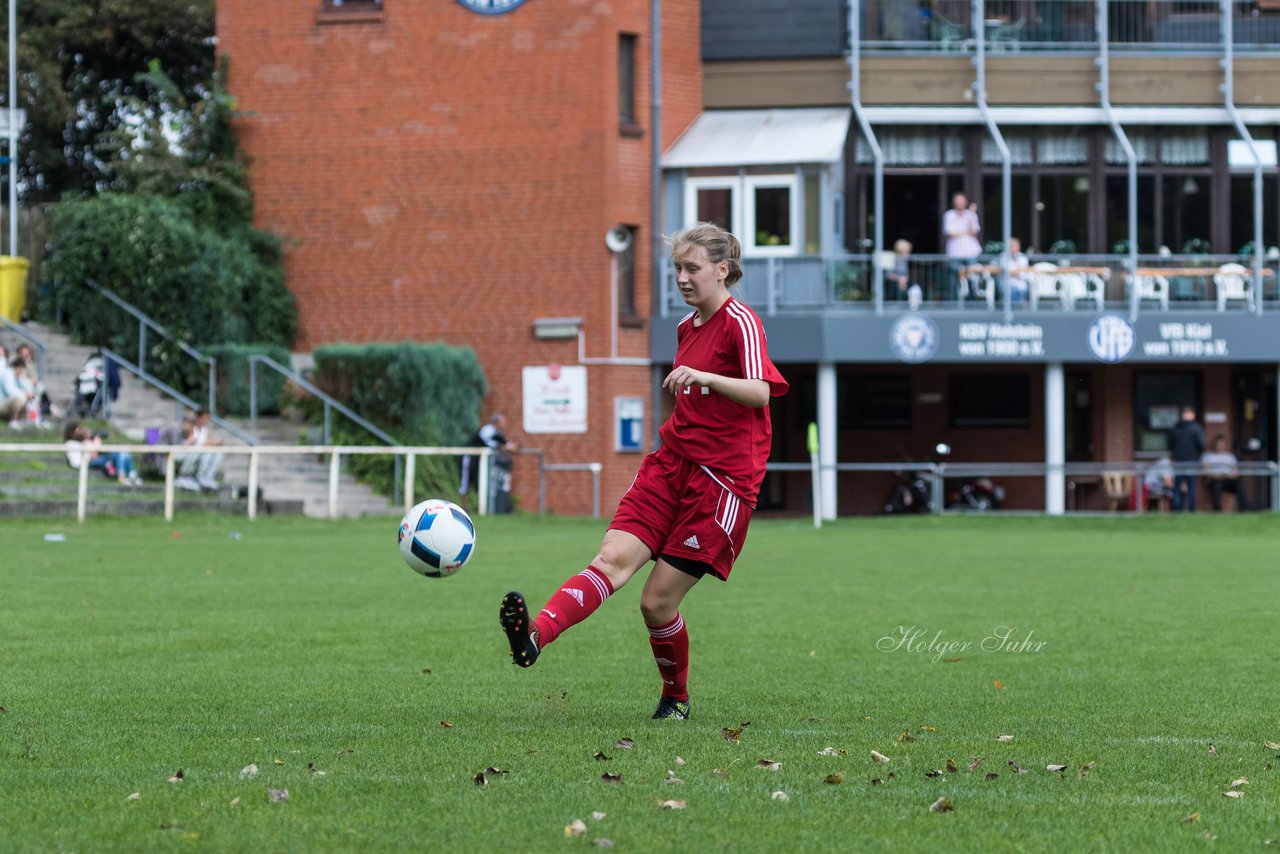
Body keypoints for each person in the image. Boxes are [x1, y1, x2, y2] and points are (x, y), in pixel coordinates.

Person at [498, 222, 789, 721]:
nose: (681, 277)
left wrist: (705, 377)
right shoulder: (684, 327)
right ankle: (533, 637)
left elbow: (761, 393)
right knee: (611, 560)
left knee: (655, 603)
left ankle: (675, 699)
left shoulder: (741, 322)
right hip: (668, 468)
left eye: (692, 268)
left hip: (720, 485)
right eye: (676, 267)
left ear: (722, 270)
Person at [459, 413, 517, 512]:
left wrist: (511, 446)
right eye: (503, 422)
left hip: (480, 461)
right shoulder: (487, 430)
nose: (504, 425)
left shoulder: (497, 433)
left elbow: (504, 442)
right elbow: (491, 443)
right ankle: (465, 506)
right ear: (497, 422)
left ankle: (480, 507)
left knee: (480, 483)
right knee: (465, 482)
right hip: (469, 458)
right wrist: (505, 447)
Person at [63, 421, 142, 486]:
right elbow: (94, 455)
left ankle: (131, 475)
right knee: (120, 453)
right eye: (78, 430)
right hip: (87, 461)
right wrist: (95, 442)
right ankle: (125, 476)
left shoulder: (81, 442)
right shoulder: (73, 443)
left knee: (124, 452)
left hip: (91, 458)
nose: (80, 432)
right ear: (71, 433)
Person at [943, 193, 982, 300]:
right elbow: (950, 232)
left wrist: (970, 215)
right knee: (954, 278)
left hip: (970, 252)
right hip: (954, 253)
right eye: (957, 200)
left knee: (972, 278)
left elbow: (973, 232)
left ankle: (972, 303)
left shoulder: (971, 215)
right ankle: (952, 304)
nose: (959, 202)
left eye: (961, 200)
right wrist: (965, 232)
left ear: (965, 202)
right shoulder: (949, 215)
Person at [1167, 406, 1205, 512]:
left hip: (1178, 461)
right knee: (1191, 487)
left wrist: (1173, 457)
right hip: (1192, 461)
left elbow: (1170, 445)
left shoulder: (1175, 427)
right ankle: (1191, 510)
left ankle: (1177, 510)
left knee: (1177, 487)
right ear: (1193, 415)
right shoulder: (1196, 428)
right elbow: (1201, 444)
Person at [1202, 434, 1252, 512]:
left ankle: (1243, 510)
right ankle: (1217, 511)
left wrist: (1230, 475)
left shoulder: (1230, 456)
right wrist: (1215, 475)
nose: (1220, 446)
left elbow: (1235, 472)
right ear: (1215, 445)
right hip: (1215, 479)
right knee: (1217, 486)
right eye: (1219, 444)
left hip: (1228, 479)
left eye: (1222, 444)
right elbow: (1205, 471)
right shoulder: (1208, 456)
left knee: (1240, 486)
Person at [160, 415, 203, 491]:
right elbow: (175, 447)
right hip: (164, 454)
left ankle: (189, 477)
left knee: (195, 452)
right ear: (187, 423)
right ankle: (182, 477)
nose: (192, 429)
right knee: (193, 454)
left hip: (173, 452)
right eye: (192, 427)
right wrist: (188, 441)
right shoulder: (174, 428)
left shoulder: (183, 429)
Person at [190, 407, 225, 490]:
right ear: (199, 418)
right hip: (191, 452)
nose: (206, 421)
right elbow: (192, 441)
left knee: (218, 454)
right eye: (204, 418)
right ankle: (200, 477)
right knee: (207, 453)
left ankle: (208, 477)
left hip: (202, 451)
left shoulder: (204, 430)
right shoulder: (191, 427)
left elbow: (208, 441)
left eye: (207, 418)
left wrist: (216, 443)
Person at [1, 355, 36, 426]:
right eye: (21, 369)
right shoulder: (7, 374)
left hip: (10, 402)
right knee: (20, 398)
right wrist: (25, 395)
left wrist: (22, 379)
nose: (22, 371)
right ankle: (13, 421)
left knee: (32, 398)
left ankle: (31, 421)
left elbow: (29, 389)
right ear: (16, 368)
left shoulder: (19, 377)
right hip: (2, 403)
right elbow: (10, 392)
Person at [885, 239, 918, 304]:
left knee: (915, 287)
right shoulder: (891, 258)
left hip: (904, 283)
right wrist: (899, 278)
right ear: (901, 251)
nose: (909, 254)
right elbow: (888, 275)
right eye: (907, 252)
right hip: (892, 284)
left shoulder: (905, 260)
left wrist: (904, 278)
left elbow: (906, 274)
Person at [1003, 237, 1030, 304]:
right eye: (1013, 246)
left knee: (1022, 289)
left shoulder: (1023, 257)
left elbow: (1024, 272)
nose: (1015, 248)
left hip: (1021, 282)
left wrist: (1015, 272)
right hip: (1008, 283)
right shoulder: (1003, 256)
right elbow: (1007, 271)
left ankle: (1022, 311)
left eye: (1016, 246)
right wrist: (1017, 272)